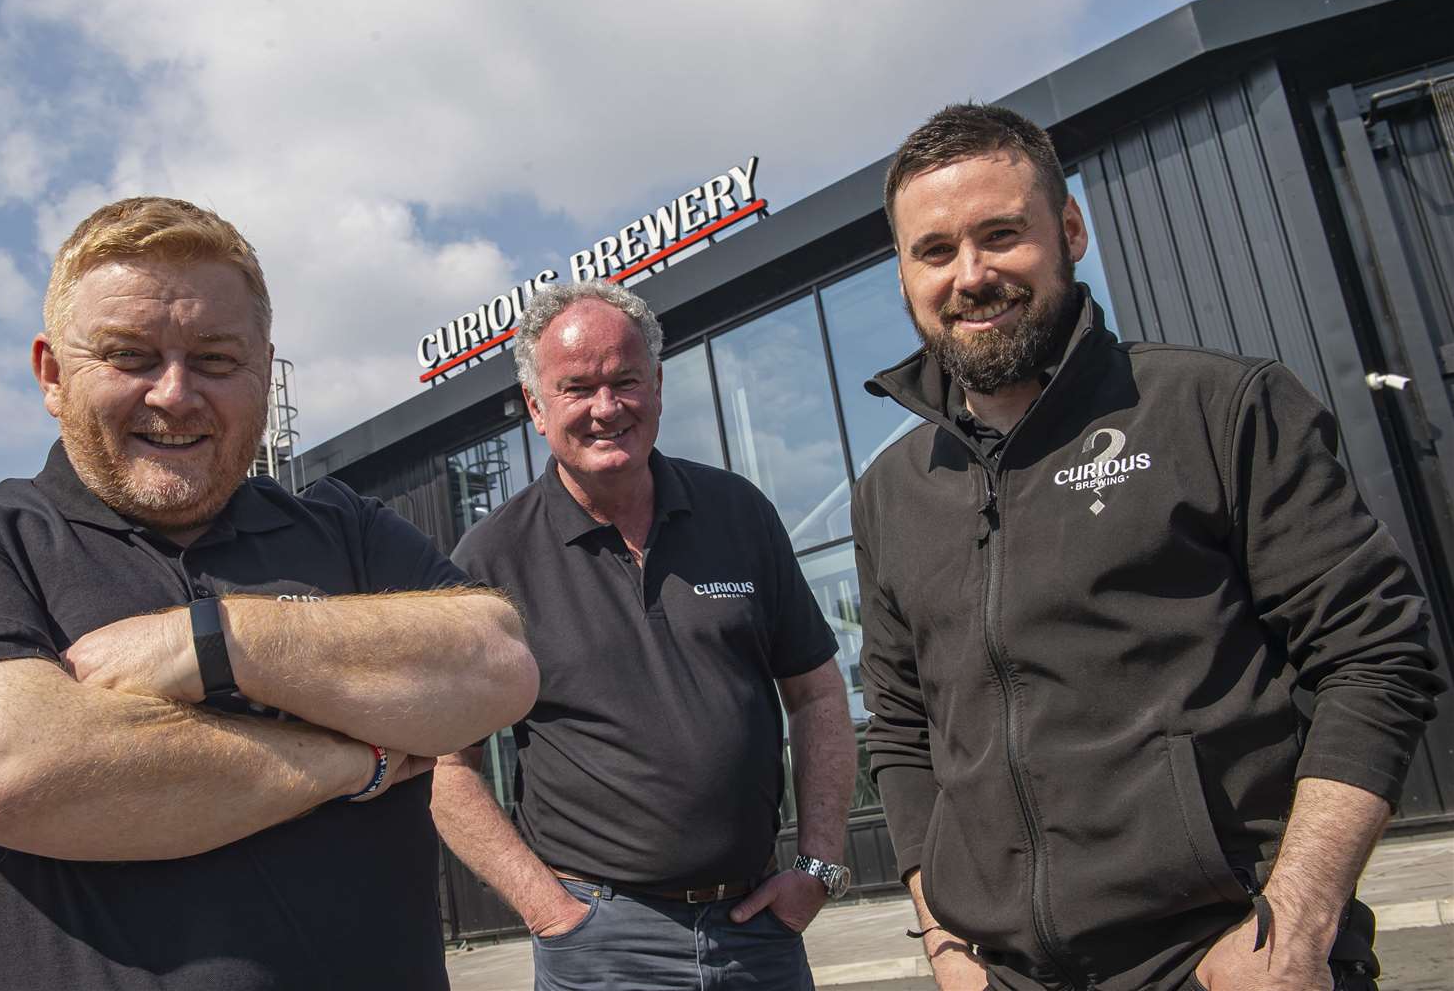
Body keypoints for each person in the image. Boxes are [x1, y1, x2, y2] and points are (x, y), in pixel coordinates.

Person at [0, 197, 540, 990]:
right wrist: (359, 761)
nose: (174, 394)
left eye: (214, 359)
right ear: (52, 374)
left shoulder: (347, 529)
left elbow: (496, 665)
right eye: (130, 356)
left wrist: (213, 643)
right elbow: (6, 772)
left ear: (264, 372)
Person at [854, 104, 1443, 991]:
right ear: (904, 274)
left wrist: (1294, 931)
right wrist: (945, 948)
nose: (969, 275)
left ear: (1069, 229)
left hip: (1220, 960)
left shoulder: (1220, 408)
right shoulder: (890, 491)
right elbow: (900, 734)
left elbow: (1374, 657)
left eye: (1000, 235)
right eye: (933, 251)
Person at [430, 281, 856, 990]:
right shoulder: (489, 561)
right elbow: (447, 769)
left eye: (625, 381)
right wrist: (548, 911)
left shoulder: (738, 513)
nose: (607, 408)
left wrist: (816, 866)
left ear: (657, 385)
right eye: (577, 388)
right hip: (601, 944)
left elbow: (815, 695)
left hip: (759, 930)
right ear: (536, 407)